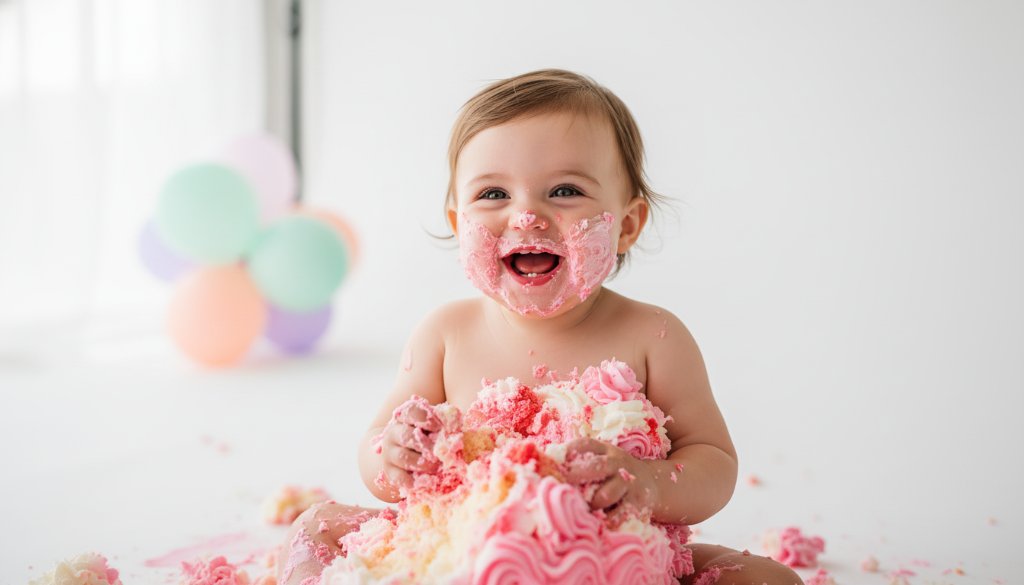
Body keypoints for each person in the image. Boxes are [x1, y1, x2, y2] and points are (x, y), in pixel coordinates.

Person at [278, 69, 803, 585]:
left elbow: (713, 463)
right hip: (459, 551)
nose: (526, 216)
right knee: (316, 525)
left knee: (768, 579)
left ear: (626, 225)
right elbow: (376, 456)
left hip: (613, 558)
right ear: (459, 224)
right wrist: (396, 453)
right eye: (493, 194)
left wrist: (645, 482)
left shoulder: (653, 337)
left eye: (565, 190)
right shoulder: (445, 334)